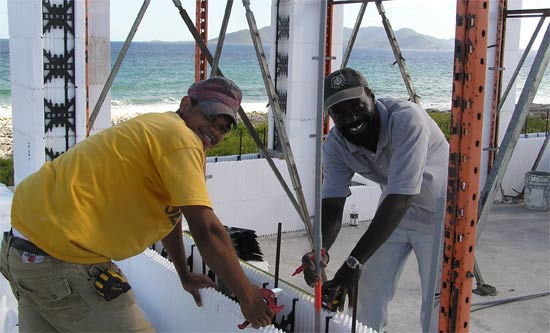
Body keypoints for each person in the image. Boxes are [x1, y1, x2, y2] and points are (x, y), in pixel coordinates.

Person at [0, 77, 274, 332]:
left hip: (21, 251)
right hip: (59, 260)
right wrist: (247, 297)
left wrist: (184, 273)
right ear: (185, 104)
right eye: (209, 117)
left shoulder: (158, 127)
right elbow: (208, 231)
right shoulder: (182, 139)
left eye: (223, 128)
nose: (214, 132)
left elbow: (170, 214)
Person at [301, 68, 449, 332]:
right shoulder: (335, 146)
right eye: (339, 113)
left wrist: (352, 262)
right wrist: (319, 249)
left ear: (371, 96)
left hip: (440, 216)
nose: (350, 118)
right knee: (367, 289)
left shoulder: (407, 121)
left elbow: (401, 197)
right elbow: (333, 206)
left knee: (438, 302)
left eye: (357, 106)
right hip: (393, 215)